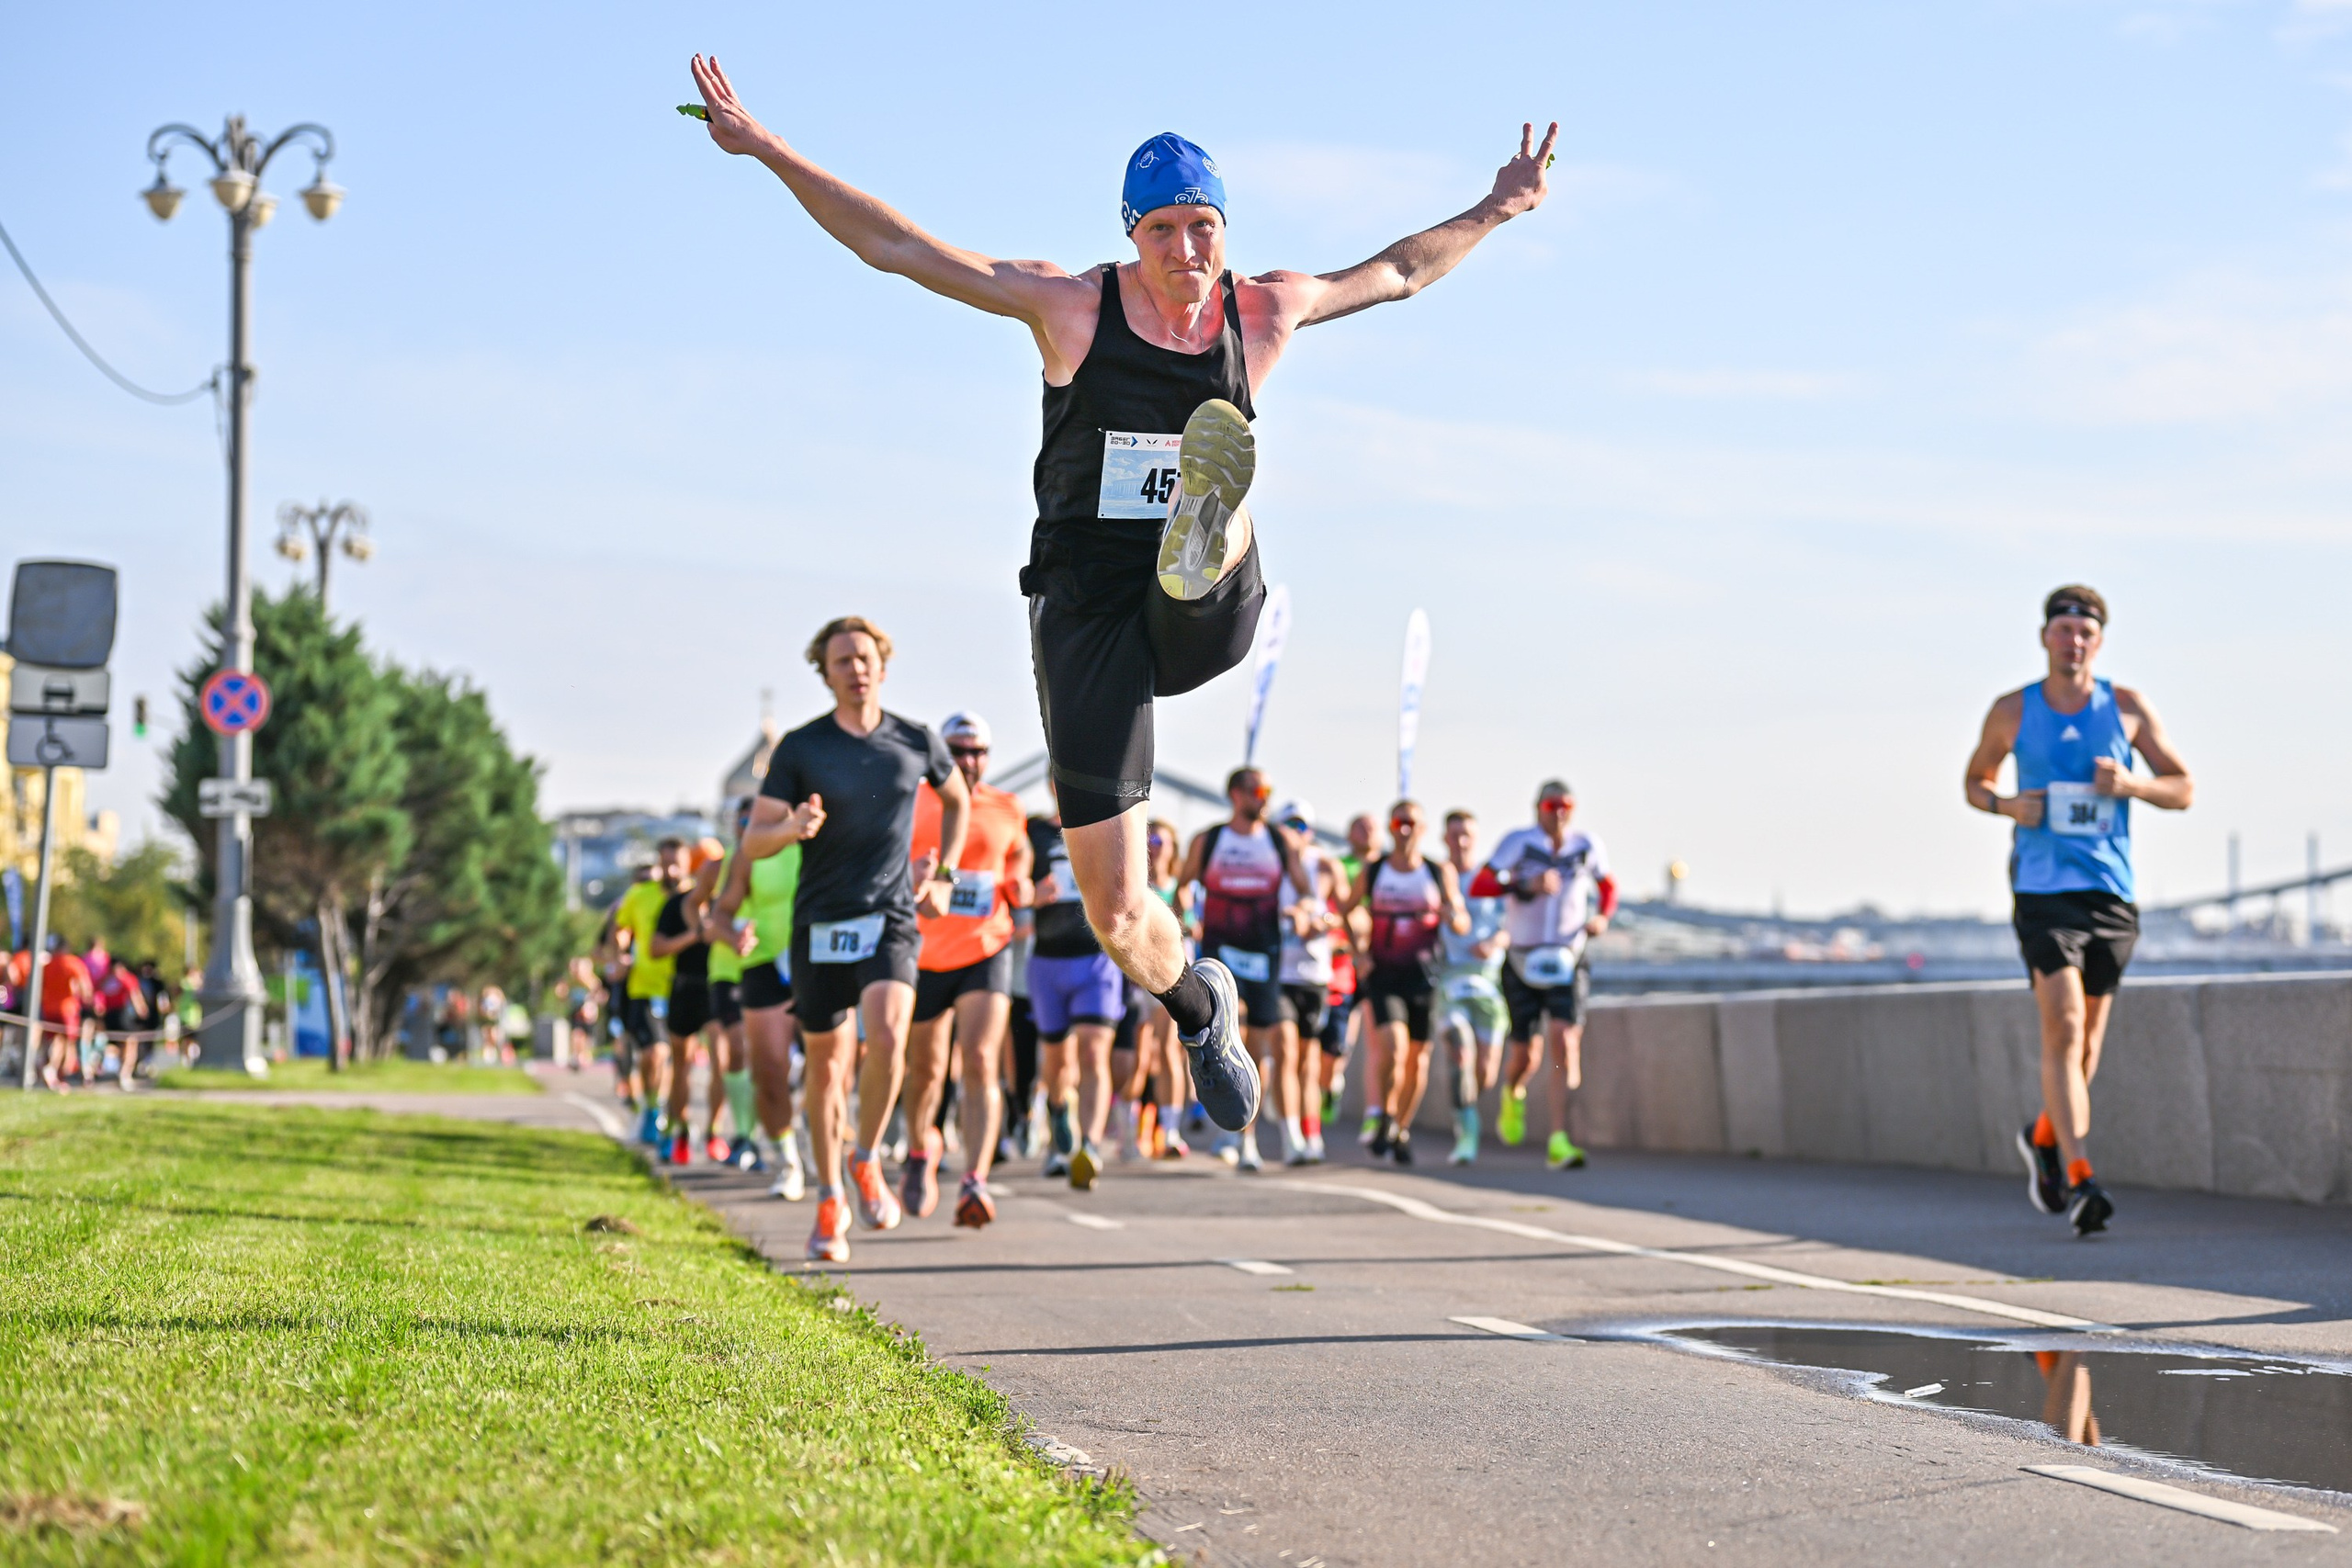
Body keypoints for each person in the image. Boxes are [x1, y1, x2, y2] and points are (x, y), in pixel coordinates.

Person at [686, 54, 1557, 1138]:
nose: (1187, 253)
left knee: (1206, 534)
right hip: (1085, 614)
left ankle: (1211, 515)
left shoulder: (1265, 314)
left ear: (1225, 230)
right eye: (1163, 232)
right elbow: (899, 249)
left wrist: (1495, 207)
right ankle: (1200, 1010)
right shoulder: (1070, 308)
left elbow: (1397, 273)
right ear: (1130, 234)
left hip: (1197, 609)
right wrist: (767, 148)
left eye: (1204, 228)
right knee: (1115, 913)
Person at [1963, 584, 2192, 1238]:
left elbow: (2184, 787)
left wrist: (2132, 785)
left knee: (2085, 1047)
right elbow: (1972, 781)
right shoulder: (2013, 710)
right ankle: (2081, 1176)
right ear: (2045, 638)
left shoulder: (2126, 708)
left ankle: (2041, 1135)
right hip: (2042, 891)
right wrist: (2008, 805)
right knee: (2062, 1026)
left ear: (2099, 641)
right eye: (2063, 630)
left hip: (2111, 893)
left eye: (2085, 631)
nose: (2074, 641)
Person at [741, 616, 967, 1264]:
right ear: (826, 672)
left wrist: (944, 873)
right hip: (821, 922)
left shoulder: (915, 739)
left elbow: (958, 801)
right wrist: (793, 827)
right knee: (828, 1069)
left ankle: (866, 1157)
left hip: (890, 915)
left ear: (883, 665)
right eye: (842, 660)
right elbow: (752, 841)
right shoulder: (800, 749)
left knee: (891, 1034)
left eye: (864, 657)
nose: (855, 668)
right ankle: (829, 1195)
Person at [899, 712, 1033, 1228]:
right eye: (957, 750)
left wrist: (1018, 882)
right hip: (925, 952)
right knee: (927, 1069)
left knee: (979, 1058)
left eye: (977, 752)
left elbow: (1016, 854)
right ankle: (918, 1149)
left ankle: (975, 1180)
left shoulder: (1007, 806)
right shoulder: (914, 803)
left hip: (986, 946)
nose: (968, 761)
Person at [1476, 781, 1615, 1170]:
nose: (1559, 812)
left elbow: (1608, 885)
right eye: (1552, 805)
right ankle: (1513, 1091)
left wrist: (1602, 917)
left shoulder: (1587, 845)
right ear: (1538, 807)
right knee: (1526, 1053)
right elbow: (1483, 882)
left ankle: (1559, 1138)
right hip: (1522, 958)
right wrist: (1525, 883)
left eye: (1566, 805)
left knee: (1564, 1040)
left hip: (1567, 956)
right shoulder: (1518, 843)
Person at [1181, 768, 1314, 1169]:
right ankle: (1238, 1139)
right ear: (1236, 795)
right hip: (1221, 951)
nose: (1266, 799)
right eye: (1259, 791)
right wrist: (1185, 914)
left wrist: (1303, 911)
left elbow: (1307, 891)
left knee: (1261, 1046)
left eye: (1269, 791)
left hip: (1264, 952)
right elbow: (1183, 884)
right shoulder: (1210, 840)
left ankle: (1279, 1139)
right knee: (1228, 1031)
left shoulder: (1279, 839)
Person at [1341, 802, 1470, 1163]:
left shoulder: (1437, 871)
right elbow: (1347, 908)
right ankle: (1383, 1113)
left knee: (1419, 1061)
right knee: (1393, 1050)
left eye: (1412, 823)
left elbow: (1463, 922)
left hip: (1425, 978)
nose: (1405, 829)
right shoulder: (1375, 870)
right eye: (1399, 823)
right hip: (1385, 976)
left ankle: (1401, 1126)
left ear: (1423, 828)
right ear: (1390, 826)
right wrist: (1358, 952)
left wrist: (1452, 916)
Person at [711, 796, 808, 1201]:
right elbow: (720, 912)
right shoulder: (747, 853)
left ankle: (823, 1135)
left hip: (817, 957)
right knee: (767, 1069)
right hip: (765, 961)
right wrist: (732, 935)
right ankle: (788, 1161)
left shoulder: (822, 838)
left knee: (835, 1065)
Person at [1028, 807, 1126, 1189]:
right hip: (1048, 960)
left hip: (1095, 960)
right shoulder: (1032, 830)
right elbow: (1010, 877)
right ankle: (1057, 1112)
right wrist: (1028, 893)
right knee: (1057, 1061)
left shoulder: (1108, 824)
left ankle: (1089, 1145)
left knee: (1092, 1053)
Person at [1436, 809, 1511, 1164]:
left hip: (1487, 982)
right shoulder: (1435, 876)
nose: (1461, 841)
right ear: (1444, 839)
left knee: (1485, 1071)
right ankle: (1466, 1133)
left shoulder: (1491, 880)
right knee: (1460, 1049)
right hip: (1450, 978)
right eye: (1454, 835)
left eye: (1467, 834)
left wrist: (1495, 942)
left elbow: (1511, 926)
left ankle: (1471, 1106)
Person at [649, 840, 727, 1165]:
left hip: (716, 988)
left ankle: (713, 1132)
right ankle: (680, 1133)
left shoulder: (727, 903)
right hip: (685, 988)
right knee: (681, 1066)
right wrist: (694, 936)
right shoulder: (676, 904)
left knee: (720, 1062)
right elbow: (656, 949)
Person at [1273, 799, 1341, 1164]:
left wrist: (1324, 922)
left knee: (1309, 1062)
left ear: (1310, 832)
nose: (1293, 834)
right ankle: (1291, 1138)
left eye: (1300, 827)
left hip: (1314, 974)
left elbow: (1347, 913)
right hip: (1279, 971)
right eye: (1287, 826)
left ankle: (1312, 1133)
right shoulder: (1269, 864)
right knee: (1285, 1052)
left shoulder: (1324, 865)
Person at [612, 851, 684, 1145]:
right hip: (644, 986)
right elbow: (620, 928)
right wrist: (620, 954)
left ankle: (662, 1108)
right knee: (653, 1053)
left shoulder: (692, 895)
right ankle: (652, 1108)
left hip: (679, 985)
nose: (669, 870)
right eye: (665, 864)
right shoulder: (639, 895)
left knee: (670, 1055)